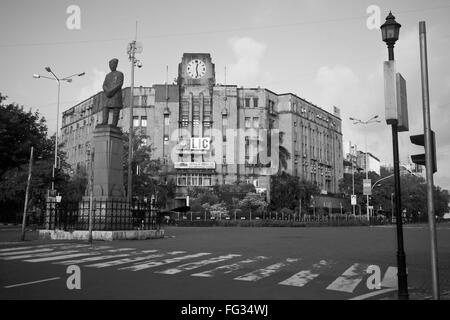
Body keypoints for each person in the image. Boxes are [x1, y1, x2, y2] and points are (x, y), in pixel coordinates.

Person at [101, 58, 124, 127]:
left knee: (116, 108)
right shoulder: (107, 75)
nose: (111, 66)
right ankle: (104, 121)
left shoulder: (120, 74)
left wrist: (111, 91)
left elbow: (120, 84)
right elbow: (104, 85)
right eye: (110, 65)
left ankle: (114, 123)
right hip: (107, 95)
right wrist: (107, 90)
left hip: (115, 94)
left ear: (116, 65)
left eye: (112, 65)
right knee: (105, 106)